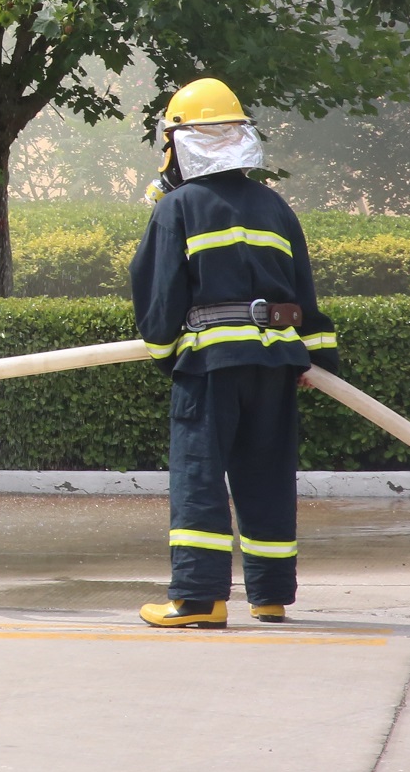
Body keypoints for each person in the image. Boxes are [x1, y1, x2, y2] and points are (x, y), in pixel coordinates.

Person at [129, 77, 341, 629]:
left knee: (200, 475)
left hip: (211, 365)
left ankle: (199, 599)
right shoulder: (276, 208)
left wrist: (162, 352)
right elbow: (304, 294)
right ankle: (269, 596)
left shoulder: (178, 208)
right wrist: (316, 360)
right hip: (277, 364)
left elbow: (157, 293)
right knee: (267, 473)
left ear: (180, 143)